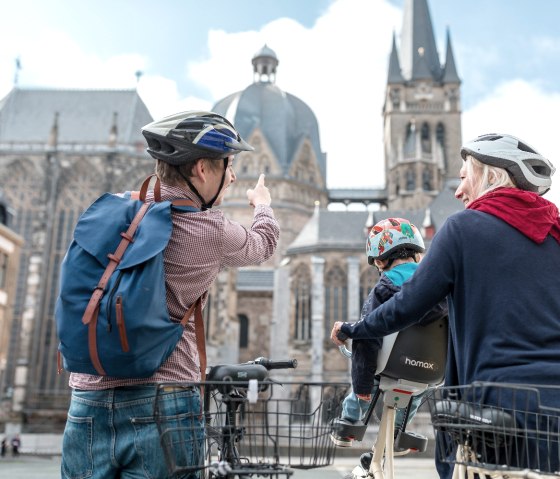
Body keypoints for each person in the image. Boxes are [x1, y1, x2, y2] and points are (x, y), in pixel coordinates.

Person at [60, 111, 280, 479]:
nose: (232, 175)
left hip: (86, 397)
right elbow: (265, 243)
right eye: (228, 165)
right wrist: (262, 203)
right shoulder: (209, 230)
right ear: (201, 170)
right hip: (165, 399)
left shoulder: (111, 209)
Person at [331, 133, 559, 478]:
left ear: (491, 177)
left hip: (495, 403)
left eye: (464, 177)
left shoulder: (462, 227)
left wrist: (357, 329)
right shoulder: (554, 233)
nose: (457, 190)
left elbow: (409, 304)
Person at [330, 218, 448, 451]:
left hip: (389, 363)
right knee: (415, 388)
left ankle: (349, 423)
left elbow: (369, 335)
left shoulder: (384, 288)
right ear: (418, 255)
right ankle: (398, 431)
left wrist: (362, 386)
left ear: (381, 260)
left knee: (370, 369)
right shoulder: (441, 286)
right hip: (430, 371)